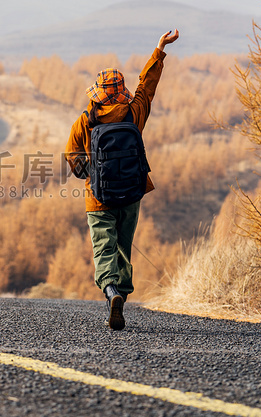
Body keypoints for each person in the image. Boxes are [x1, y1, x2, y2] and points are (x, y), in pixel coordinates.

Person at [65, 29, 179, 330]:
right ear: (121, 90)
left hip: (98, 197)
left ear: (98, 92)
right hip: (131, 192)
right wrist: (159, 49)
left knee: (104, 248)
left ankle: (111, 291)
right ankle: (120, 300)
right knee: (123, 249)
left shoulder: (86, 119)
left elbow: (71, 154)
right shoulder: (134, 111)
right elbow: (148, 86)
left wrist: (90, 174)